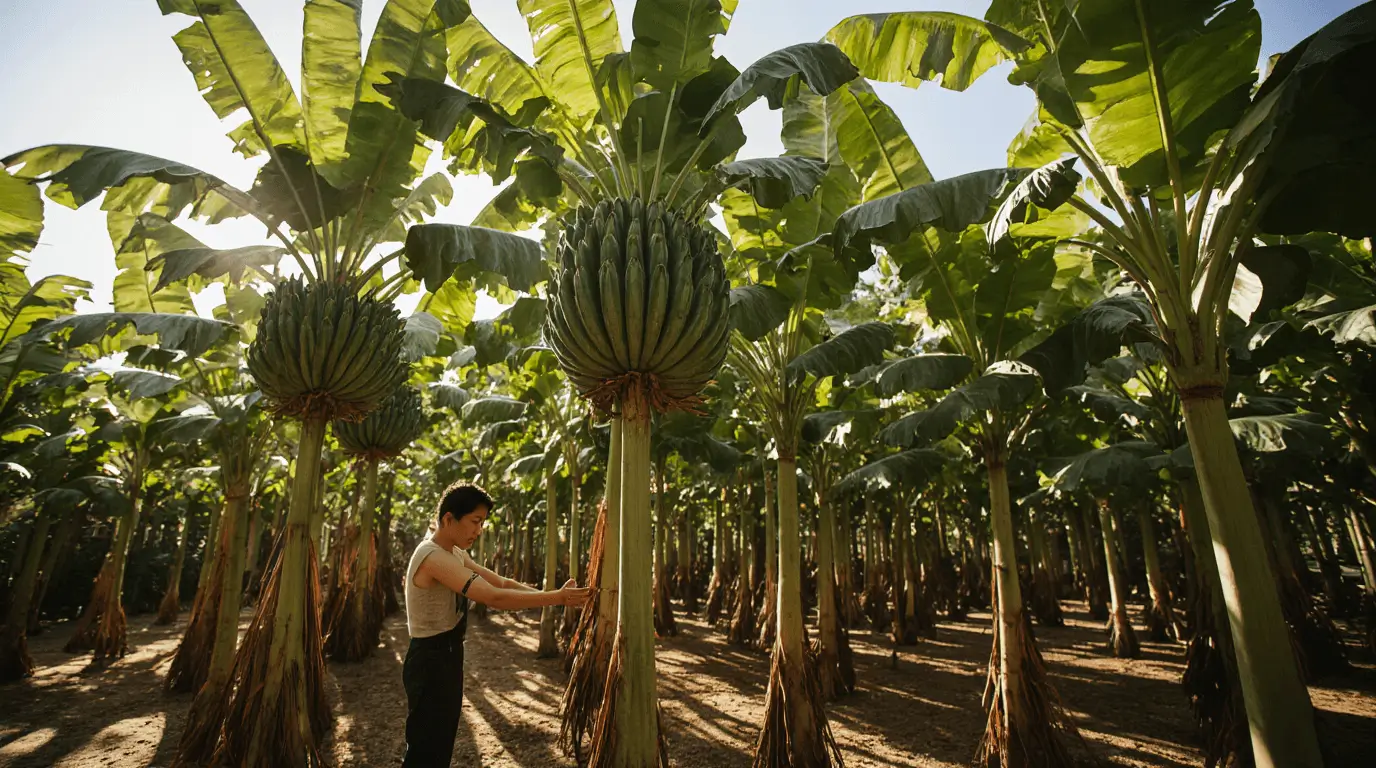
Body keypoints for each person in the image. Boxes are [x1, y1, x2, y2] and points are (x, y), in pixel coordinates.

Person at [402, 482, 591, 767]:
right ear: (448, 519)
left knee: (439, 747)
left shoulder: (454, 553)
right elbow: (494, 597)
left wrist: (551, 595)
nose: (479, 531)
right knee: (425, 750)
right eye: (475, 522)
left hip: (448, 656)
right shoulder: (433, 558)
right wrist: (558, 599)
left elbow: (500, 582)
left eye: (482, 523)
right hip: (430, 659)